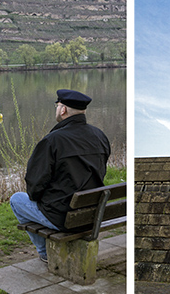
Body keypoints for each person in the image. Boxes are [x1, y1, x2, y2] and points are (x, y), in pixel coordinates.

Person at [10, 89, 111, 262]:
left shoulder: (52, 140)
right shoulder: (100, 136)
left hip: (64, 218)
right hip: (92, 214)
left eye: (57, 106)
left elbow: (35, 186)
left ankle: (44, 253)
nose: (56, 109)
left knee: (17, 199)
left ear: (62, 110)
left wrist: (42, 198)